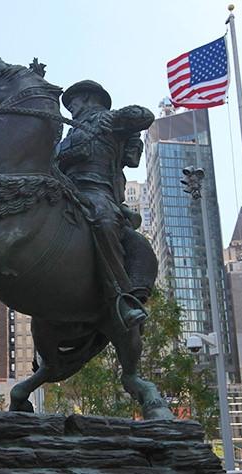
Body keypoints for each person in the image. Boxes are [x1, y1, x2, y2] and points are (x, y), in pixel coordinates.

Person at [55, 80, 154, 328]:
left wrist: (117, 118)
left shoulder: (109, 122)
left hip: (96, 190)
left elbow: (145, 116)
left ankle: (123, 298)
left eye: (73, 103)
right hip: (61, 191)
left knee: (104, 220)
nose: (71, 109)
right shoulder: (71, 130)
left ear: (88, 98)